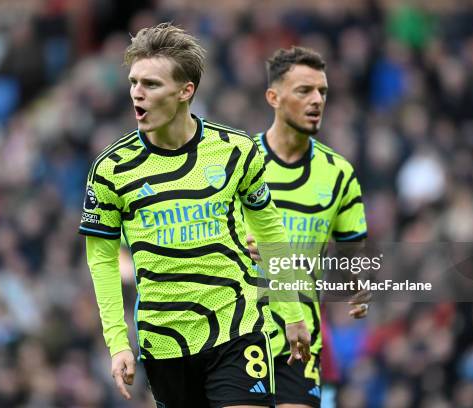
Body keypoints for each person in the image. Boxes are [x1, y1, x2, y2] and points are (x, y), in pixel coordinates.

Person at [79, 23, 310, 408]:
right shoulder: (112, 170)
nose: (137, 92)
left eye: (151, 84)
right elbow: (101, 258)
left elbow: (269, 228)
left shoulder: (235, 152)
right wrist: (118, 341)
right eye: (134, 82)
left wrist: (290, 311)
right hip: (164, 343)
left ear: (186, 91)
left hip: (236, 327)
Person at [247, 47, 369, 408]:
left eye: (322, 92)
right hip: (239, 336)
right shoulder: (239, 162)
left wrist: (360, 285)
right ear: (274, 97)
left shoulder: (339, 173)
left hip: (302, 341)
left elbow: (353, 255)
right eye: (304, 91)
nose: (317, 100)